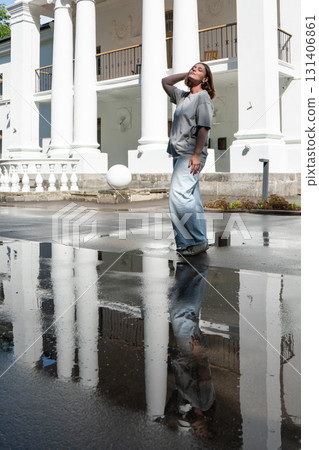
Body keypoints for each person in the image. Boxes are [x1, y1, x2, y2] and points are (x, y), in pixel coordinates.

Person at [162, 63, 216, 256]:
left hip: (190, 154)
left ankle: (192, 241)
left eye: (200, 70)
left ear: (206, 79)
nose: (195, 69)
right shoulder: (183, 97)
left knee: (179, 197)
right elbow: (165, 81)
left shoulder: (202, 97)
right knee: (192, 199)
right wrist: (188, 74)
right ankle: (195, 241)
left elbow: (204, 127)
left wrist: (196, 154)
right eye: (193, 67)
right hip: (179, 153)